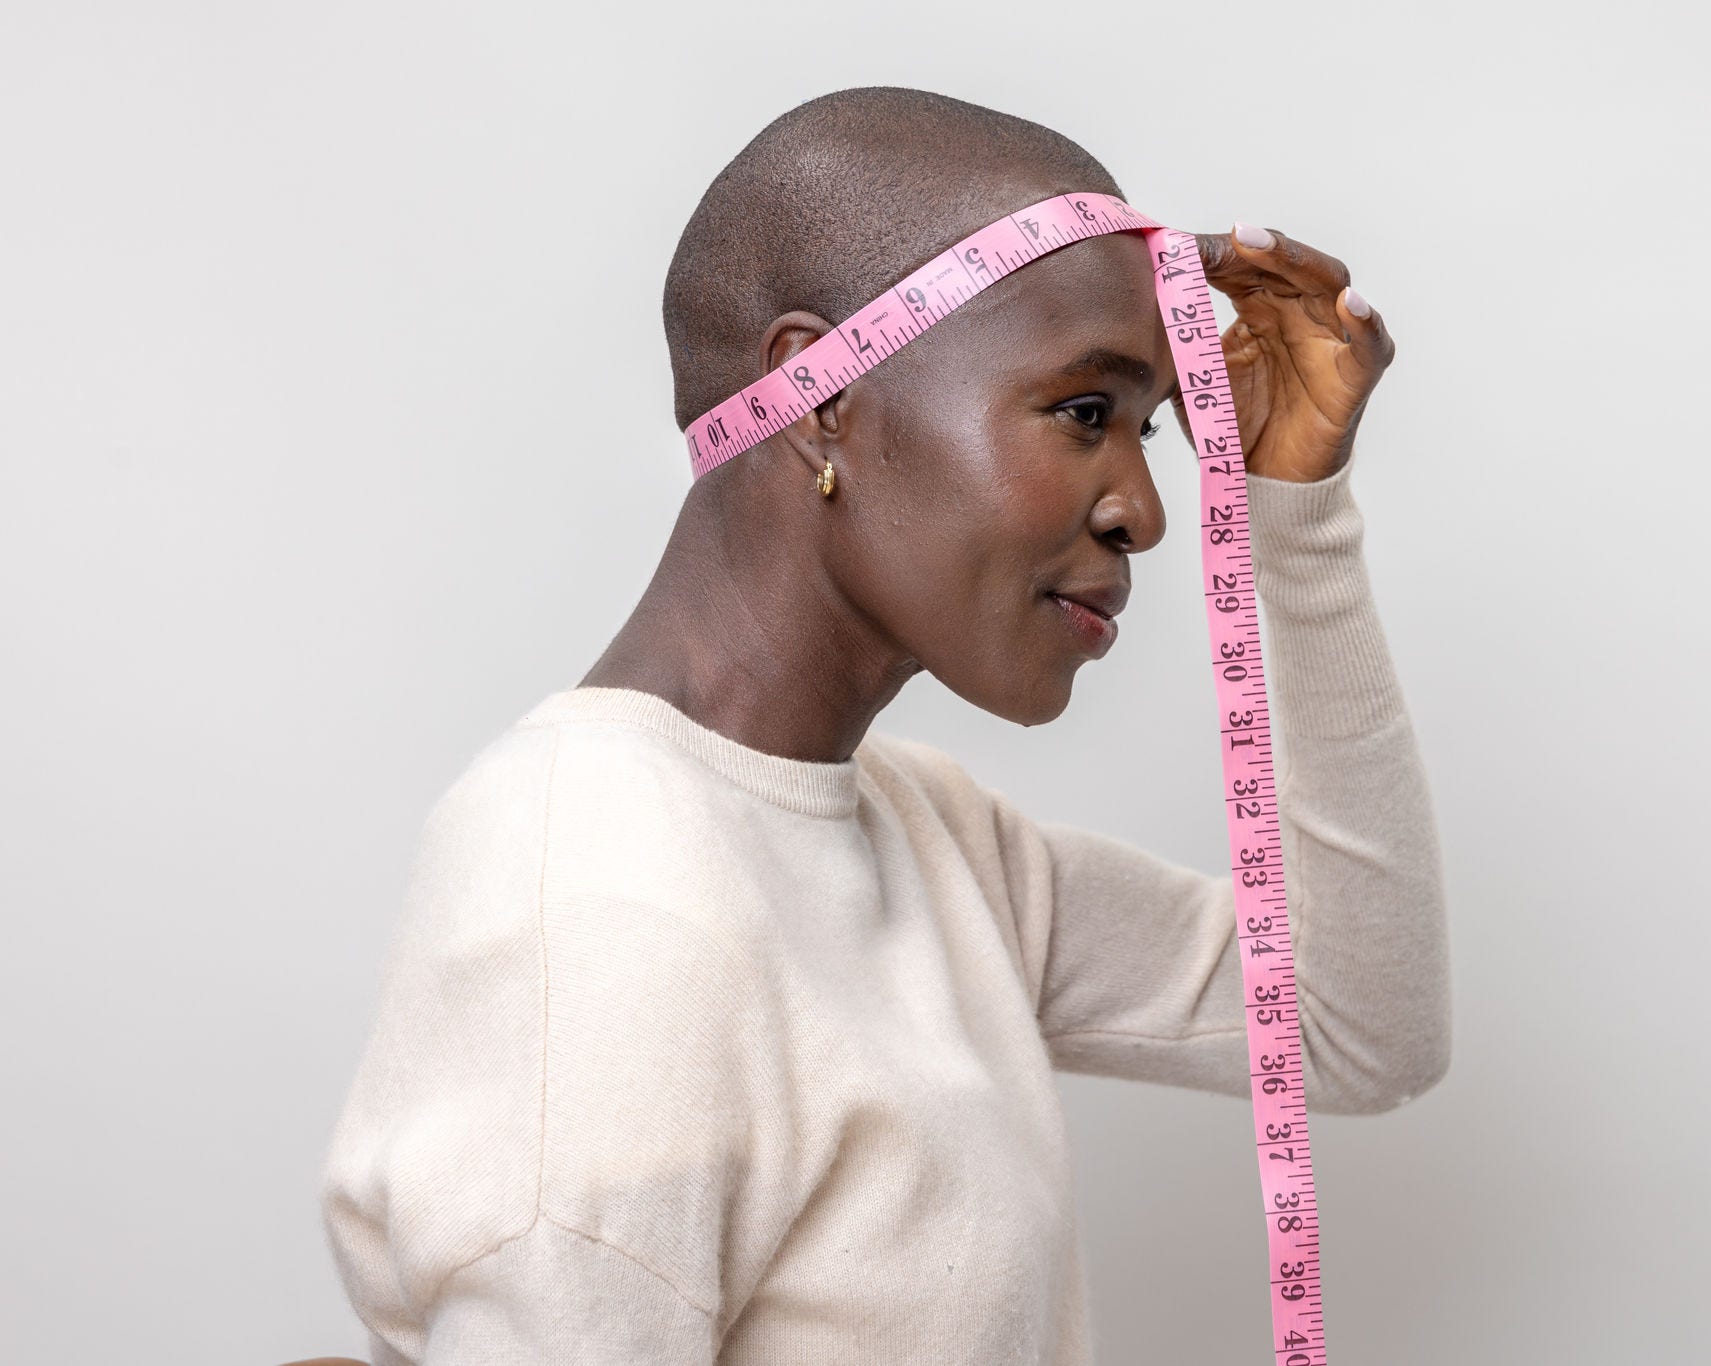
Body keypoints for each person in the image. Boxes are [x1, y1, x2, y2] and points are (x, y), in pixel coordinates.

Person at [317, 85, 1451, 1365]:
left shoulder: (932, 840)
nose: (1143, 506)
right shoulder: (601, 897)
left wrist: (1293, 517)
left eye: (1146, 432)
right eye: (1085, 413)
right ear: (816, 391)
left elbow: (1356, 1028)